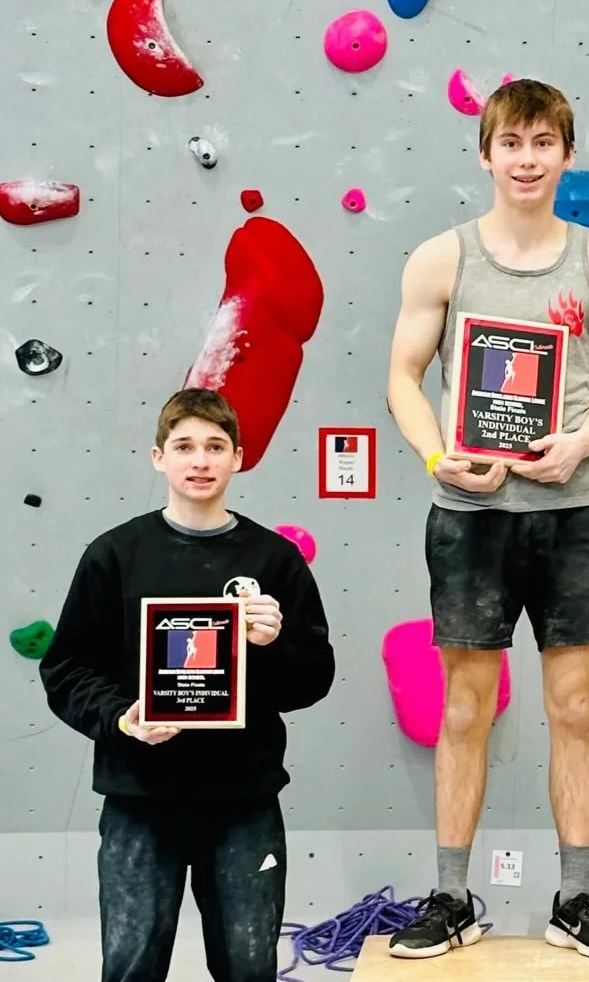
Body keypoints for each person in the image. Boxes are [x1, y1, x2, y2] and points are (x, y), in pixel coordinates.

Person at [385, 78, 589, 960]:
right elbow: (403, 379)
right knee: (465, 708)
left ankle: (576, 898)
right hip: (472, 511)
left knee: (574, 708)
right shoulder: (441, 259)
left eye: (543, 143)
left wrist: (579, 442)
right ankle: (452, 898)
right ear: (486, 153)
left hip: (575, 508)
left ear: (566, 154)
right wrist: (434, 455)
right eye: (512, 144)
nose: (527, 160)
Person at [38, 388, 336, 982]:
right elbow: (66, 668)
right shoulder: (115, 555)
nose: (200, 460)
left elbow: (314, 679)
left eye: (215, 447)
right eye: (184, 447)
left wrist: (275, 644)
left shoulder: (274, 560)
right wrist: (123, 717)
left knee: (249, 967)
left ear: (238, 458)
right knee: (129, 968)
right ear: (159, 458)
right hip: (138, 799)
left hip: (243, 800)